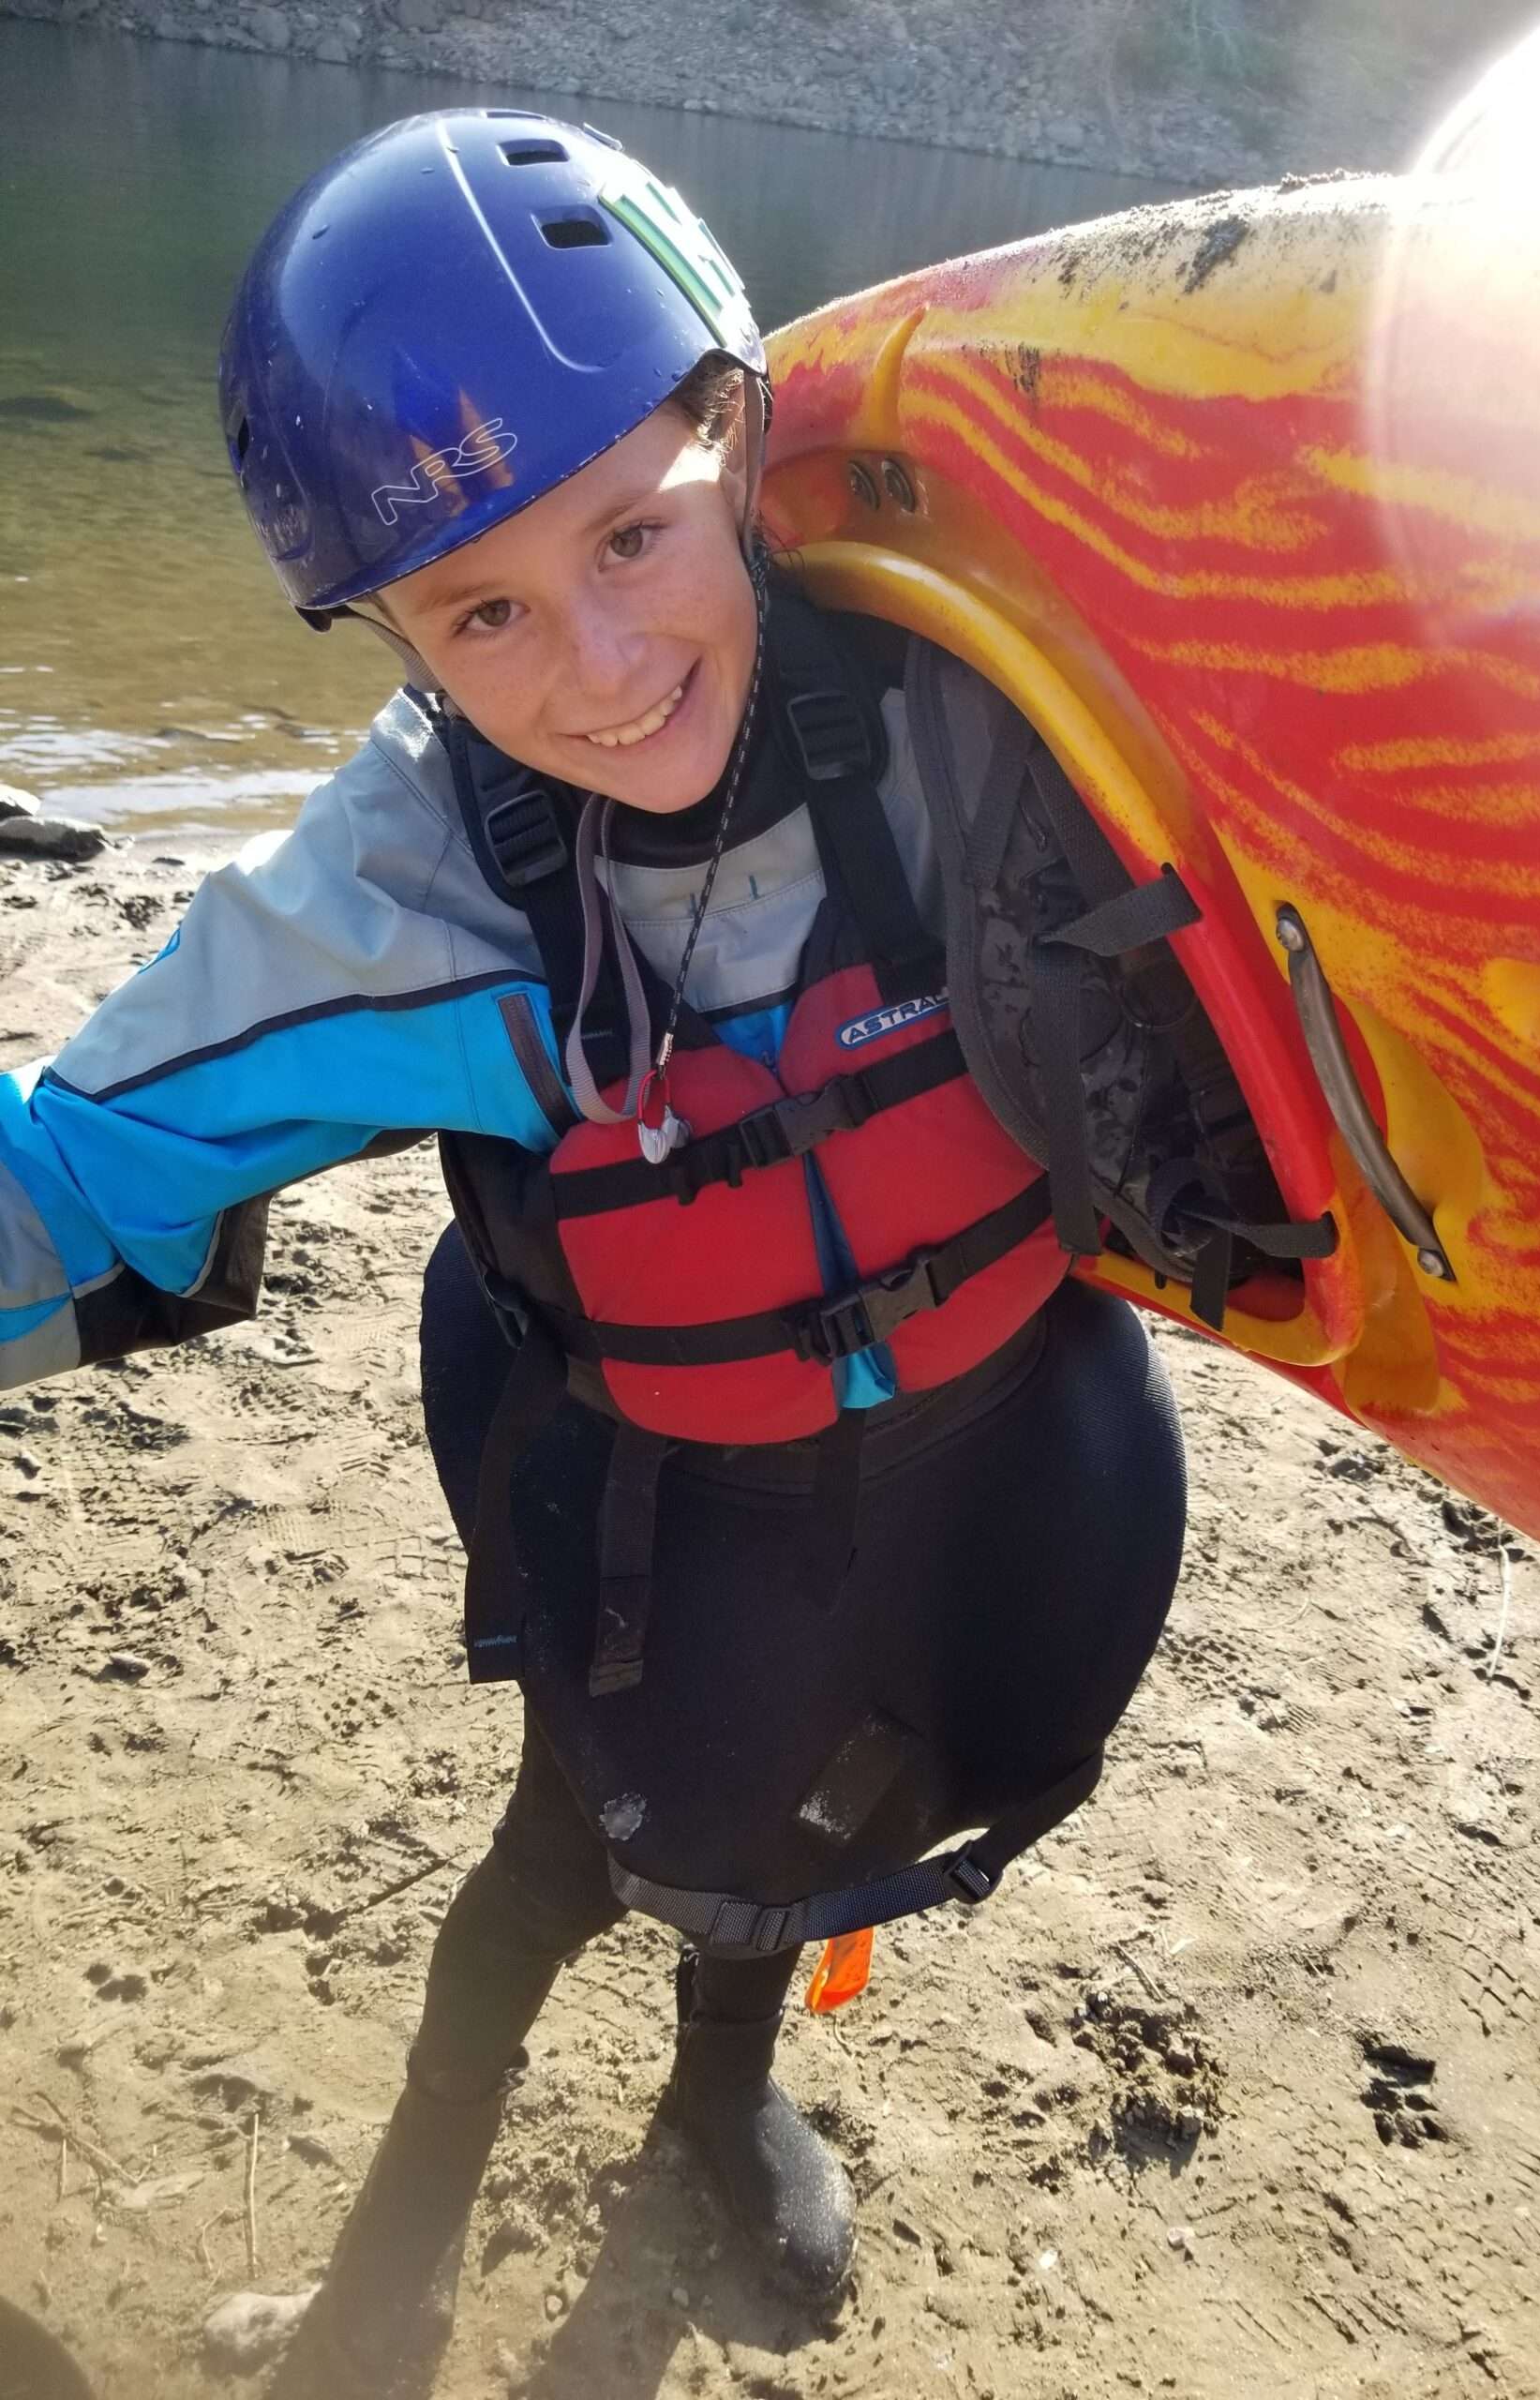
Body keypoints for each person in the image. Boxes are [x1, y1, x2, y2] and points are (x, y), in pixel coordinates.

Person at [0, 111, 1195, 2394]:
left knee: (813, 1821)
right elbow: (74, 1176)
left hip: (988, 1466)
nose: (602, 665)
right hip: (672, 1519)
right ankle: (396, 2257)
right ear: (393, 633)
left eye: (636, 533)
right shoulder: (427, 880)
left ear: (737, 428)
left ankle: (717, 2098)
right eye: (482, 613)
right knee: (550, 1877)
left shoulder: (982, 702)